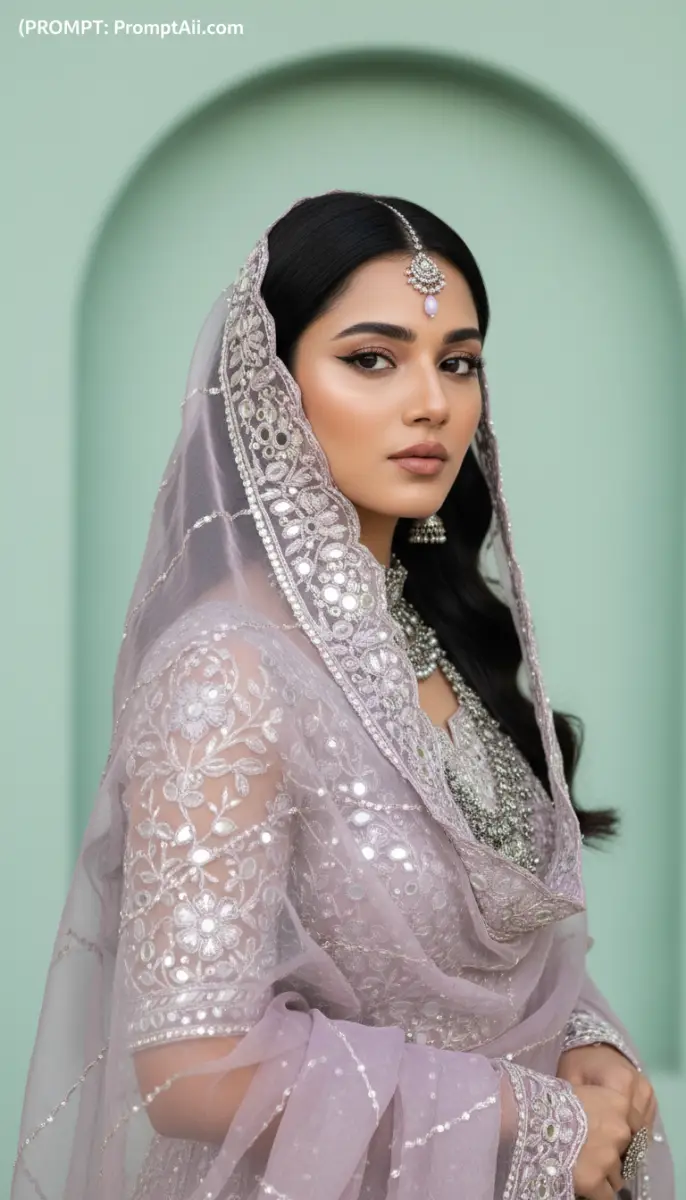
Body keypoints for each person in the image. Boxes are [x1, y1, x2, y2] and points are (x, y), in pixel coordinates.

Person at [11, 189, 675, 1200]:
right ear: (268, 386)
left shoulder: (437, 643)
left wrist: (583, 1048)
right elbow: (192, 1066)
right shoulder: (226, 673)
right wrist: (534, 1117)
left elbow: (495, 961)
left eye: (456, 361)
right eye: (371, 359)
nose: (431, 403)